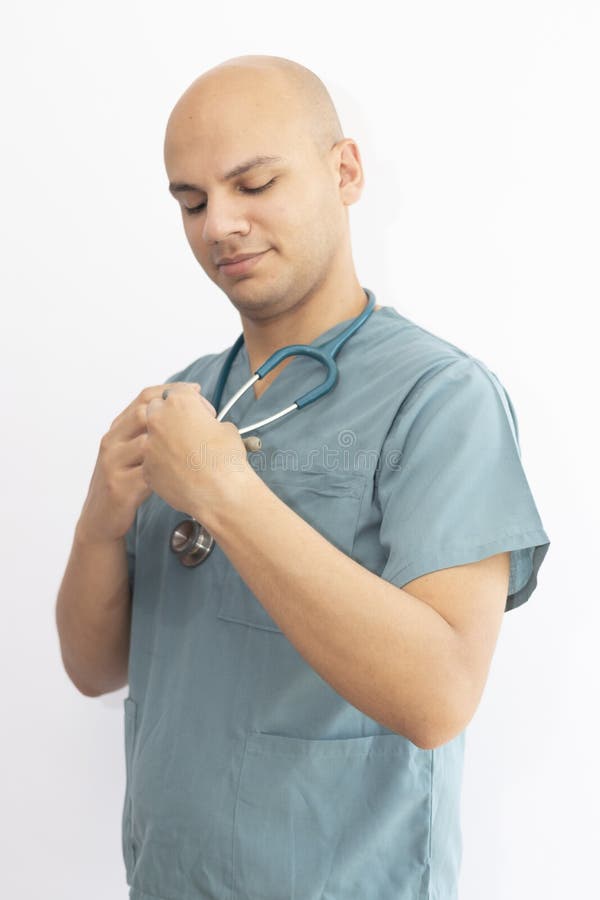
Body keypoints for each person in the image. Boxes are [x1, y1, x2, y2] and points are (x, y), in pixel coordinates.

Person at [55, 54, 551, 900]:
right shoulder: (185, 401)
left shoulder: (439, 399)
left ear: (345, 171)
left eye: (254, 183)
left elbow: (439, 697)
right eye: (193, 201)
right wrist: (102, 517)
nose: (221, 226)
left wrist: (223, 489)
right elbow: (94, 667)